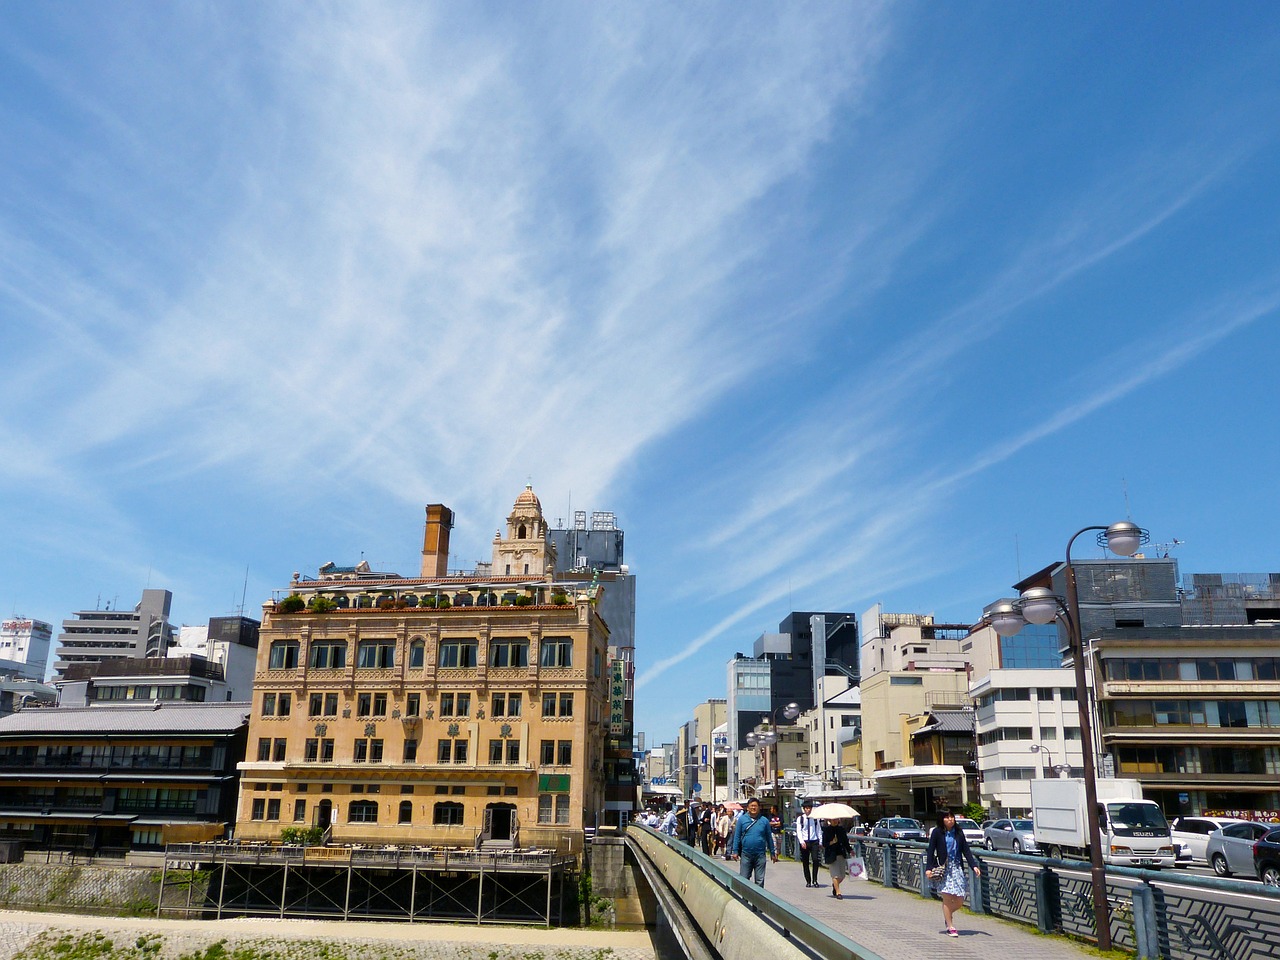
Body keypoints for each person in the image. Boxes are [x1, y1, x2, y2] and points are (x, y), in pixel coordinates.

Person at [925, 810, 982, 937]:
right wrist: (928, 868)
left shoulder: (958, 832)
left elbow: (966, 850)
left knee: (960, 899)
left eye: (952, 817)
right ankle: (950, 926)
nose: (950, 819)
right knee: (947, 897)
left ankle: (947, 915)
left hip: (956, 868)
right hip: (944, 869)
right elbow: (930, 850)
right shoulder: (937, 832)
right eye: (947, 817)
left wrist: (974, 866)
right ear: (942, 819)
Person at [732, 797, 777, 886]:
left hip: (760, 854)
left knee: (759, 881)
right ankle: (744, 899)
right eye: (751, 806)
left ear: (759, 808)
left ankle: (758, 899)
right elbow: (737, 836)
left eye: (755, 806)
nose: (753, 808)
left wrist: (772, 852)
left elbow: (769, 837)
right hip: (746, 853)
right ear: (748, 808)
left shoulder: (764, 821)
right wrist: (735, 851)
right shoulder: (742, 820)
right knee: (744, 879)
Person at [795, 799, 824, 887]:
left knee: (815, 860)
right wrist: (801, 841)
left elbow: (818, 830)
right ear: (804, 809)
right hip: (805, 842)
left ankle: (815, 880)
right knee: (805, 862)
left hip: (814, 840)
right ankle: (808, 880)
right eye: (806, 808)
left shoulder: (815, 819)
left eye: (809, 808)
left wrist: (820, 841)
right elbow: (799, 831)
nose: (808, 810)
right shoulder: (800, 819)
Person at [822, 817, 853, 899]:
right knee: (835, 875)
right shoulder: (826, 830)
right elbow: (824, 844)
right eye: (833, 820)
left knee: (842, 875)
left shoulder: (841, 830)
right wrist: (832, 842)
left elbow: (846, 842)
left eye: (836, 819)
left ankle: (835, 885)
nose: (835, 821)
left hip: (841, 854)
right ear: (830, 821)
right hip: (831, 855)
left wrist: (850, 850)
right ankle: (838, 893)